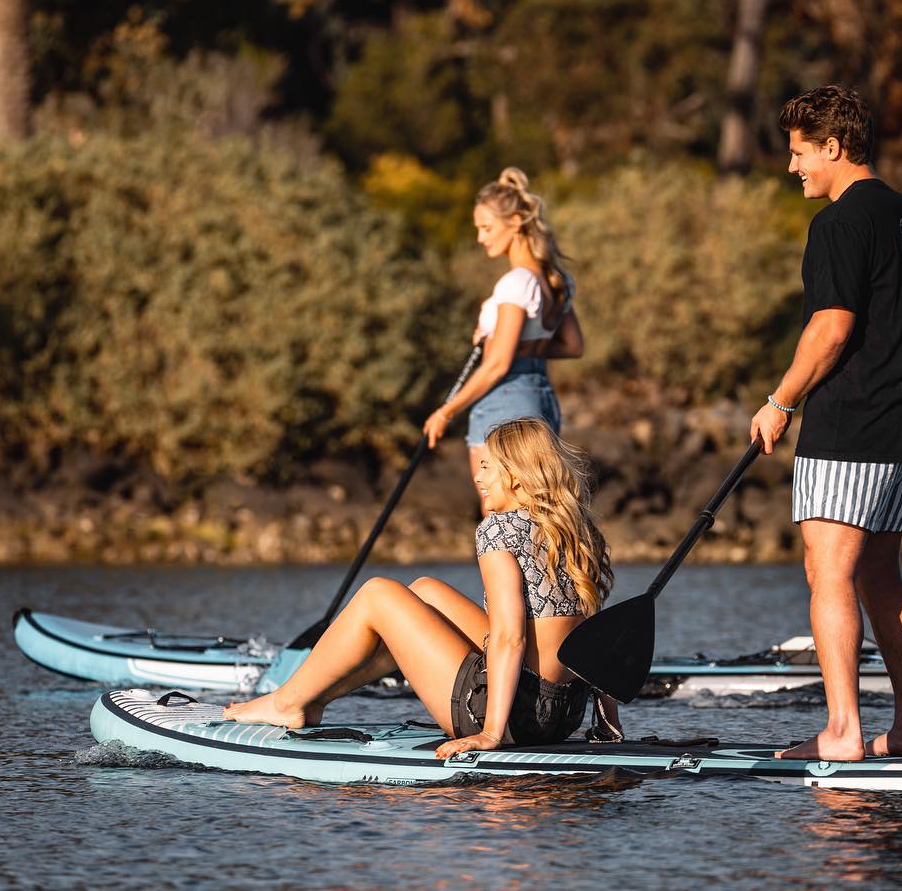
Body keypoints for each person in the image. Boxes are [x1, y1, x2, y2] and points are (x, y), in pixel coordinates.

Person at [748, 85, 902, 762]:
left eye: (801, 153)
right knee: (881, 576)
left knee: (828, 571)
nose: (793, 167)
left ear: (834, 147)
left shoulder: (838, 224)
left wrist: (780, 401)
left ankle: (842, 731)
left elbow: (831, 328)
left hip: (854, 422)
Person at [225, 418, 617, 755]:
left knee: (378, 593)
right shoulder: (576, 530)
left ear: (515, 474)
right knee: (424, 592)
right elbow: (597, 641)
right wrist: (608, 724)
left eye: (488, 467)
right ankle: (313, 699)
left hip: (512, 717)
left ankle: (286, 702)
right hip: (563, 714)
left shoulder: (500, 529)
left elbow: (509, 639)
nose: (478, 477)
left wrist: (491, 734)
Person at [422, 168, 583, 513]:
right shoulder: (556, 281)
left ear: (515, 223)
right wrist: (522, 345)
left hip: (505, 400)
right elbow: (572, 346)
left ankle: (505, 570)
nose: (481, 238)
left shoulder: (516, 283)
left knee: (498, 510)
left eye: (486, 228)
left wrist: (445, 412)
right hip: (540, 396)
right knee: (536, 508)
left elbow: (497, 365)